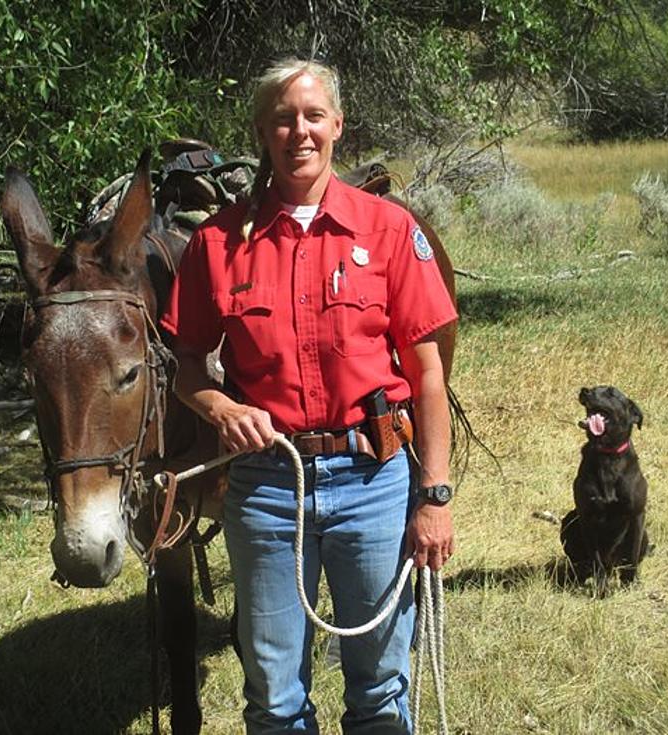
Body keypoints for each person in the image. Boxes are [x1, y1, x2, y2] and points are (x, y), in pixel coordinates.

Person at [160, 57, 457, 734]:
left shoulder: (384, 230)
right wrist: (221, 407)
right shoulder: (216, 245)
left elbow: (428, 374)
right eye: (284, 118)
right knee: (273, 695)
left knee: (379, 688)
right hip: (268, 488)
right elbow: (186, 369)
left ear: (338, 126)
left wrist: (434, 497)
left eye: (314, 116)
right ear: (264, 131)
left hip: (375, 479)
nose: (301, 131)